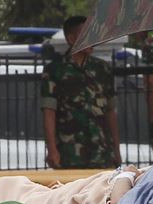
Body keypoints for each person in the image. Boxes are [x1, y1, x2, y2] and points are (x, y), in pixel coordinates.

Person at [42, 16, 121, 169]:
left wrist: (116, 149)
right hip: (70, 151)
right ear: (71, 39)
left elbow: (110, 112)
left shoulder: (102, 69)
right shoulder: (55, 70)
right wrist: (52, 149)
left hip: (102, 151)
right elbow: (49, 112)